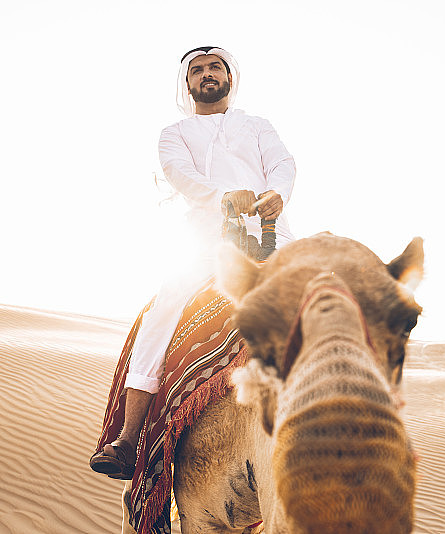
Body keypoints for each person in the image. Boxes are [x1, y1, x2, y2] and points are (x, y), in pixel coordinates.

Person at [90, 46, 296, 478]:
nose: (207, 74)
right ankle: (128, 439)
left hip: (271, 232)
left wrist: (277, 192)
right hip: (206, 238)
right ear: (187, 84)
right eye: (197, 70)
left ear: (229, 77)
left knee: (331, 288)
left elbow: (282, 162)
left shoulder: (257, 125)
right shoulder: (176, 133)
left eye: (215, 67)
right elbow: (179, 173)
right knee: (164, 308)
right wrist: (223, 197)